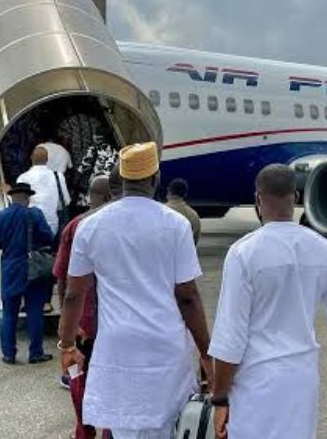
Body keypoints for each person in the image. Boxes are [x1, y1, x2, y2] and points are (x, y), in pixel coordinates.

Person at [59, 142, 213, 439]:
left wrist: (67, 345)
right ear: (155, 178)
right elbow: (188, 297)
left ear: (123, 180)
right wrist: (206, 353)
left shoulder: (90, 226)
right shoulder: (175, 224)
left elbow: (73, 294)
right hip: (165, 346)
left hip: (117, 347)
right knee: (169, 426)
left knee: (123, 428)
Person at [208, 164, 327, 439]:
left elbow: (229, 337)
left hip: (255, 382)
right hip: (301, 380)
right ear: (295, 196)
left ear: (258, 199)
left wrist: (220, 399)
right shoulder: (325, 251)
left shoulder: (243, 253)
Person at [53, 174, 116, 439]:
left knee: (78, 378)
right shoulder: (115, 226)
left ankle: (84, 430)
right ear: (109, 196)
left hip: (81, 327)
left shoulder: (74, 226)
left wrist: (66, 323)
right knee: (112, 384)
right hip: (111, 326)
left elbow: (62, 277)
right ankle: (109, 432)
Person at [0, 182, 56, 365]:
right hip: (34, 268)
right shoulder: (35, 214)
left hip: (11, 269)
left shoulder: (0, 217)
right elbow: (48, 238)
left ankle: (9, 354)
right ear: (27, 198)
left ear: (12, 197)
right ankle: (36, 353)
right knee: (35, 312)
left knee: (9, 313)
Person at [17, 146, 71, 236]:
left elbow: (18, 205)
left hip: (30, 227)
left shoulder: (23, 178)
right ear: (47, 159)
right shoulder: (58, 176)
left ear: (31, 158)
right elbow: (65, 202)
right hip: (52, 226)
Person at [165, 178, 201, 245]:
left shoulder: (160, 211)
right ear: (185, 194)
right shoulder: (193, 215)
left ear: (169, 191)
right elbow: (194, 240)